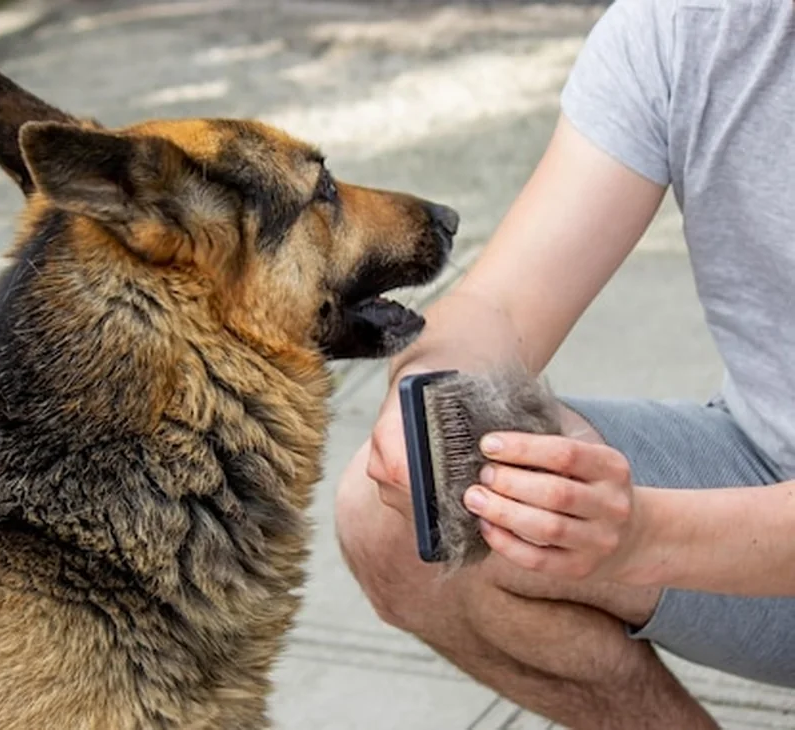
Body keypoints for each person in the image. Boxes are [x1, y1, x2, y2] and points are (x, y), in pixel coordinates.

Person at [333, 0, 795, 727]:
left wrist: (648, 533)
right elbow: (501, 308)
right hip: (764, 464)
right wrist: (427, 400)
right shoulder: (690, 27)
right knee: (387, 514)